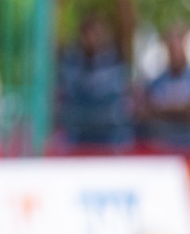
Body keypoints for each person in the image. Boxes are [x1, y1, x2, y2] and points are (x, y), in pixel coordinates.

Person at [55, 13, 135, 150]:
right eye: (87, 34)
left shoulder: (115, 60)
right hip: (78, 133)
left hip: (110, 135)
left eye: (95, 33)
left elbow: (127, 29)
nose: (91, 38)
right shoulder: (71, 62)